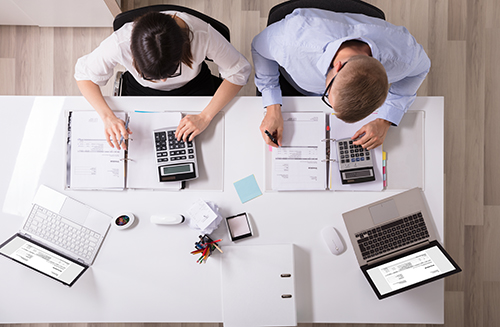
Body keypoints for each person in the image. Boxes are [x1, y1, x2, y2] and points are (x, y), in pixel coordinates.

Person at [252, 8, 430, 149]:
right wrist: (272, 107)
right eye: (328, 97)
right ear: (337, 67)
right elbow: (259, 48)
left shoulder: (404, 57)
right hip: (298, 71)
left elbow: (422, 69)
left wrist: (384, 120)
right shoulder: (290, 42)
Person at [75, 10, 251, 149]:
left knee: (210, 142)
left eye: (171, 72)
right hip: (141, 90)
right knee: (139, 145)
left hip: (193, 86)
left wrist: (205, 116)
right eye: (153, 76)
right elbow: (84, 75)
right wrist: (107, 117)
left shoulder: (201, 34)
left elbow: (239, 70)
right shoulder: (119, 43)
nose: (164, 82)